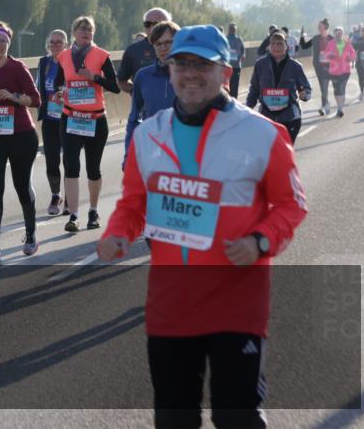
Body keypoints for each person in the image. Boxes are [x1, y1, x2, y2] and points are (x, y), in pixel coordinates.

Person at [98, 24, 307, 429]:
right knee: (174, 418)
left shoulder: (263, 133)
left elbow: (292, 205)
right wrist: (117, 233)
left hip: (237, 302)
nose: (191, 74)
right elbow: (133, 204)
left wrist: (260, 241)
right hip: (170, 303)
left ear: (225, 72)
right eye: (182, 64)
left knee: (237, 417)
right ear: (169, 69)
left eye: (202, 65)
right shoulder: (148, 135)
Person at [0, 21, 41, 261]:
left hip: (21, 134)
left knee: (22, 185)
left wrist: (14, 97)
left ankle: (31, 235)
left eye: (3, 40)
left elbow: (36, 100)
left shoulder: (17, 68)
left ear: (8, 43)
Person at [51, 16, 121, 232]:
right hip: (71, 117)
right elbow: (58, 83)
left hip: (95, 119)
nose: (86, 33)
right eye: (82, 29)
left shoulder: (101, 55)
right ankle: (73, 215)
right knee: (71, 165)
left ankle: (93, 211)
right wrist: (59, 93)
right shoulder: (63, 56)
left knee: (93, 168)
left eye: (90, 30)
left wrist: (94, 77)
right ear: (74, 33)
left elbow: (115, 87)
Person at [125, 21, 180, 164]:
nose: (163, 48)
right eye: (158, 44)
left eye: (168, 42)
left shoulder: (191, 75)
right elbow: (134, 118)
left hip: (184, 154)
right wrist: (128, 156)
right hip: (152, 153)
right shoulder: (143, 76)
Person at [246, 32, 312, 143]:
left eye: (280, 44)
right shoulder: (260, 65)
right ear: (269, 47)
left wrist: (304, 94)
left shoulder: (295, 66)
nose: (276, 47)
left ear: (286, 46)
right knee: (268, 151)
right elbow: (254, 90)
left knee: (284, 151)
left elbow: (307, 89)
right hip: (266, 118)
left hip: (290, 117)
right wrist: (248, 108)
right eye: (273, 44)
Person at [36, 29, 69, 216]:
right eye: (52, 42)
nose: (55, 45)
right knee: (51, 159)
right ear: (48, 44)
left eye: (59, 42)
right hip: (49, 118)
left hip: (67, 117)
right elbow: (38, 86)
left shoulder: (71, 61)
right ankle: (56, 195)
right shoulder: (44, 63)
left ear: (66, 45)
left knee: (69, 159)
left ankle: (70, 196)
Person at [117, 7, 172, 94]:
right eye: (147, 24)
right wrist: (136, 92)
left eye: (157, 24)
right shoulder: (133, 50)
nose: (152, 28)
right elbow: (121, 80)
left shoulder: (180, 47)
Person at [299, 19, 334, 115]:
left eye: (320, 26)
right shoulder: (315, 38)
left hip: (329, 65)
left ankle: (324, 105)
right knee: (322, 86)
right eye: (318, 26)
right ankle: (326, 103)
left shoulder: (331, 38)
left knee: (324, 86)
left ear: (325, 27)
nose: (318, 28)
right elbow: (304, 46)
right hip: (318, 65)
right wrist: (302, 36)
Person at [324, 26, 357, 118]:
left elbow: (353, 53)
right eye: (337, 33)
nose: (338, 35)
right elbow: (325, 55)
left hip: (345, 70)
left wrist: (350, 58)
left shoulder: (347, 43)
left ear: (343, 34)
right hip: (334, 71)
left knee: (341, 88)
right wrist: (330, 56)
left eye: (340, 33)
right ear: (334, 34)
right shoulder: (330, 43)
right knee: (336, 90)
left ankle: (340, 109)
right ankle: (339, 106)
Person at [225, 23, 246, 98]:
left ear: (236, 30)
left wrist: (243, 55)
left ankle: (234, 101)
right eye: (231, 28)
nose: (232, 30)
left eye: (233, 29)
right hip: (227, 66)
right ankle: (226, 101)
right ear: (228, 29)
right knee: (226, 86)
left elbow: (243, 49)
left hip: (236, 66)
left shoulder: (239, 39)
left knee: (235, 86)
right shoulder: (225, 39)